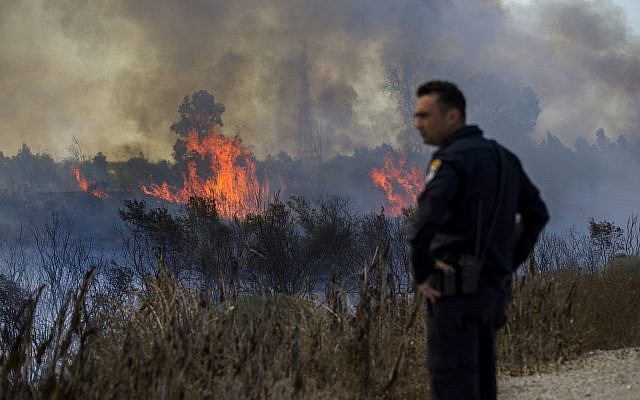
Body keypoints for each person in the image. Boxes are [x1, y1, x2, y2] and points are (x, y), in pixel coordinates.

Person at [409, 81, 549, 400]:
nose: (417, 124)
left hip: (454, 295)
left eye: (425, 116)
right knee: (484, 385)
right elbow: (537, 214)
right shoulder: (504, 159)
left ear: (453, 116)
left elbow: (424, 223)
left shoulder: (450, 162)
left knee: (453, 386)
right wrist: (506, 263)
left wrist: (422, 272)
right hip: (491, 294)